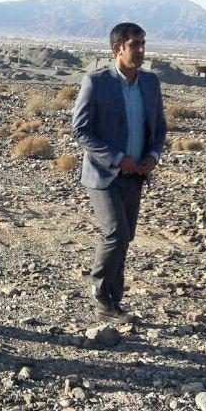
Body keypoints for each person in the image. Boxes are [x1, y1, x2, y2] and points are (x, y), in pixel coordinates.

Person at [72, 22, 166, 324]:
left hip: (136, 174)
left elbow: (159, 127)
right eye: (135, 45)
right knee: (116, 233)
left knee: (124, 238)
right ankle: (100, 292)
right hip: (103, 175)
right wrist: (116, 158)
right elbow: (81, 130)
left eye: (143, 44)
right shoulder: (96, 82)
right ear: (117, 49)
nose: (141, 50)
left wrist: (152, 156)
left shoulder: (150, 83)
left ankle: (113, 302)